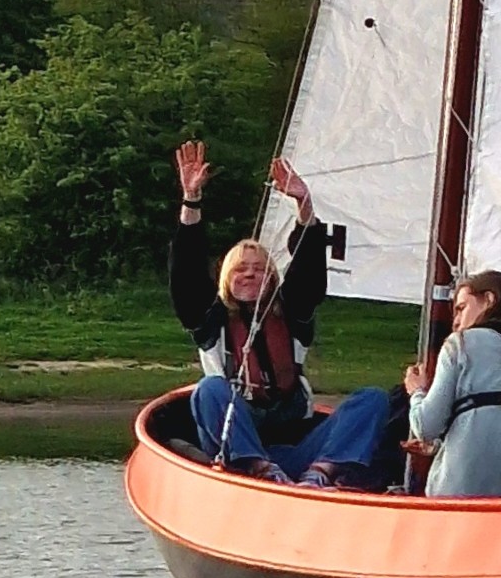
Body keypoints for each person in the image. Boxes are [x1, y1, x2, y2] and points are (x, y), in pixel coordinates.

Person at [169, 141, 395, 486]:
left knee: (373, 399)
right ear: (226, 279)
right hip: (236, 450)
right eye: (241, 269)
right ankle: (259, 469)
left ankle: (319, 474)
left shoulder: (291, 314)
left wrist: (304, 206)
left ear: (272, 279)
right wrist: (191, 200)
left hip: (293, 449)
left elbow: (308, 272)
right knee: (209, 389)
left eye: (260, 268)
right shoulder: (210, 319)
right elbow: (186, 274)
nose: (250, 274)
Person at [403, 270, 501, 498]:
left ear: (489, 300)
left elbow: (426, 427)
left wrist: (417, 391)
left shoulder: (461, 344)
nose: (455, 322)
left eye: (461, 308)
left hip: (460, 493)